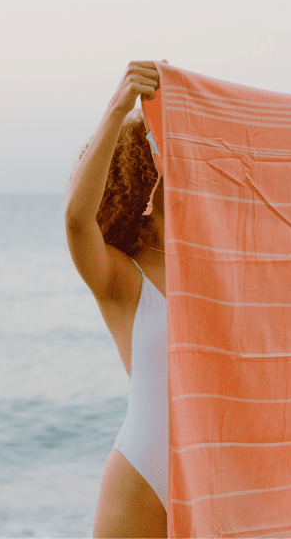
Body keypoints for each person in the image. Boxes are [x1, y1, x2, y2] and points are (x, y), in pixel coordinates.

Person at [64, 61, 168, 538]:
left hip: (217, 470)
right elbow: (77, 222)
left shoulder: (217, 270)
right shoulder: (123, 279)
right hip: (144, 474)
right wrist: (118, 108)